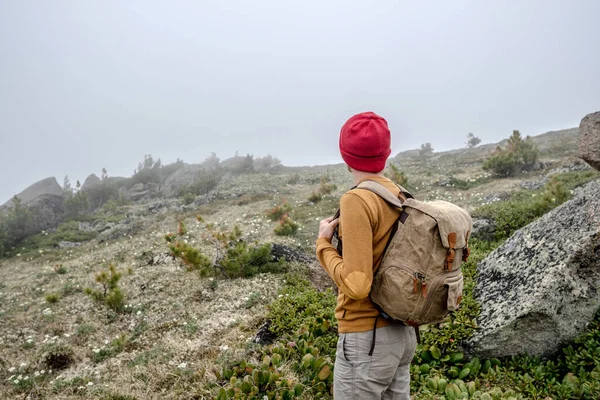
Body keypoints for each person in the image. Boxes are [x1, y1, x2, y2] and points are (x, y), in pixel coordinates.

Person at [316, 111, 417, 399]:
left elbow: (358, 284)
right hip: (402, 334)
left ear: (346, 155)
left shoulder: (357, 200)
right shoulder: (401, 195)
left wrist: (324, 245)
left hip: (367, 339)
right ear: (386, 153)